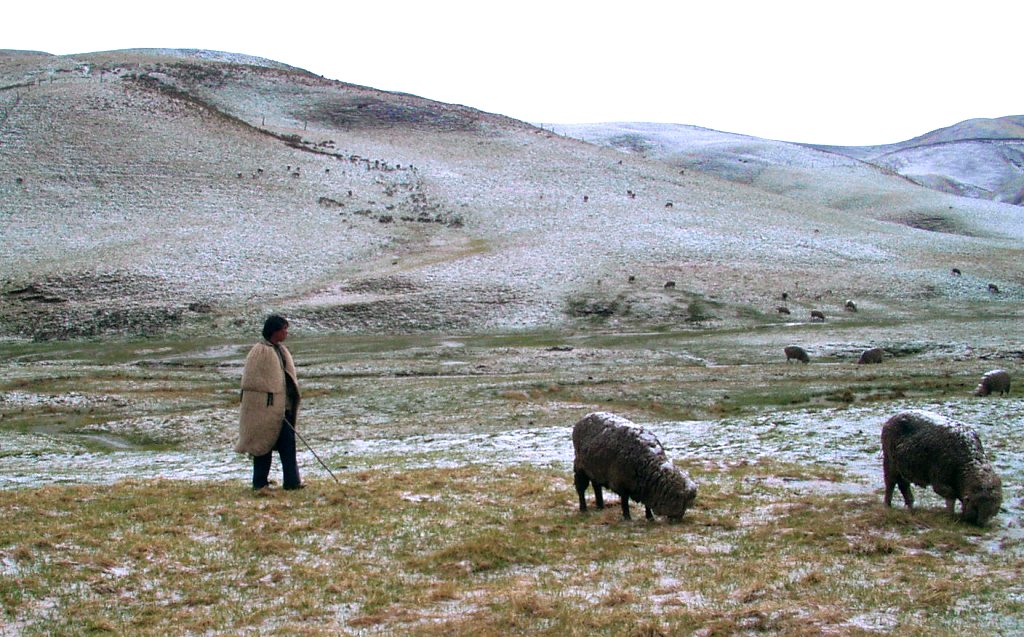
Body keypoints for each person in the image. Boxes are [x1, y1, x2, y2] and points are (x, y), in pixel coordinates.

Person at [235, 315, 304, 490]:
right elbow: (254, 386)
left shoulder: (281, 350)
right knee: (262, 447)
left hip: (284, 410)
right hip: (265, 412)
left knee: (288, 447)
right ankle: (259, 483)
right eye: (283, 329)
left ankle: (292, 482)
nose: (286, 333)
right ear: (274, 331)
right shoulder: (260, 353)